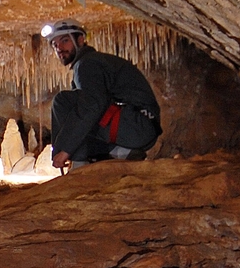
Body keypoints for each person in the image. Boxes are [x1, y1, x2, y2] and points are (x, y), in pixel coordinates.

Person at [43, 19, 163, 170]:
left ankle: (80, 165)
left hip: (136, 124)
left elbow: (92, 105)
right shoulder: (92, 62)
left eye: (64, 41)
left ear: (80, 40)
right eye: (55, 45)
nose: (59, 48)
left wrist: (65, 150)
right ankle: (120, 151)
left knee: (65, 101)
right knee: (80, 110)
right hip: (140, 126)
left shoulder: (88, 63)